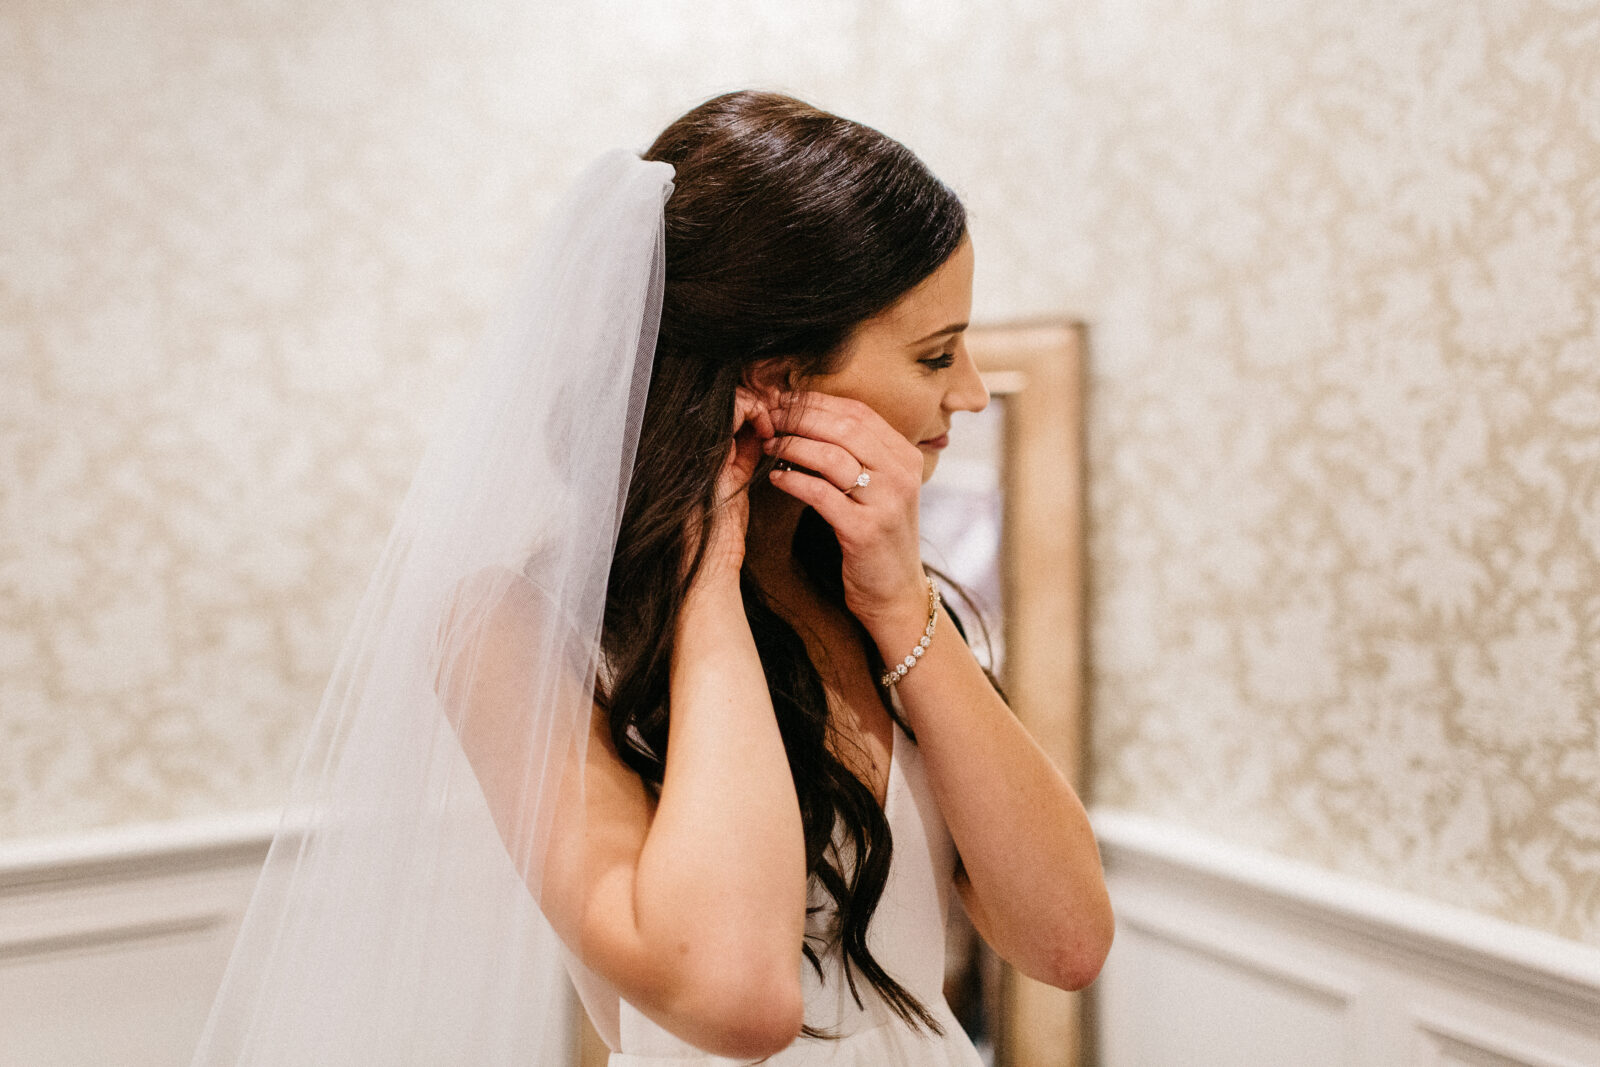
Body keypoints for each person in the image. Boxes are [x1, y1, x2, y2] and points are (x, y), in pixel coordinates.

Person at [192, 90, 1111, 1067]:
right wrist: (706, 577)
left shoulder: (881, 595)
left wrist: (897, 604)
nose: (968, 392)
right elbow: (738, 998)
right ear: (773, 377)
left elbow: (1064, 941)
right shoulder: (517, 630)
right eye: (934, 355)